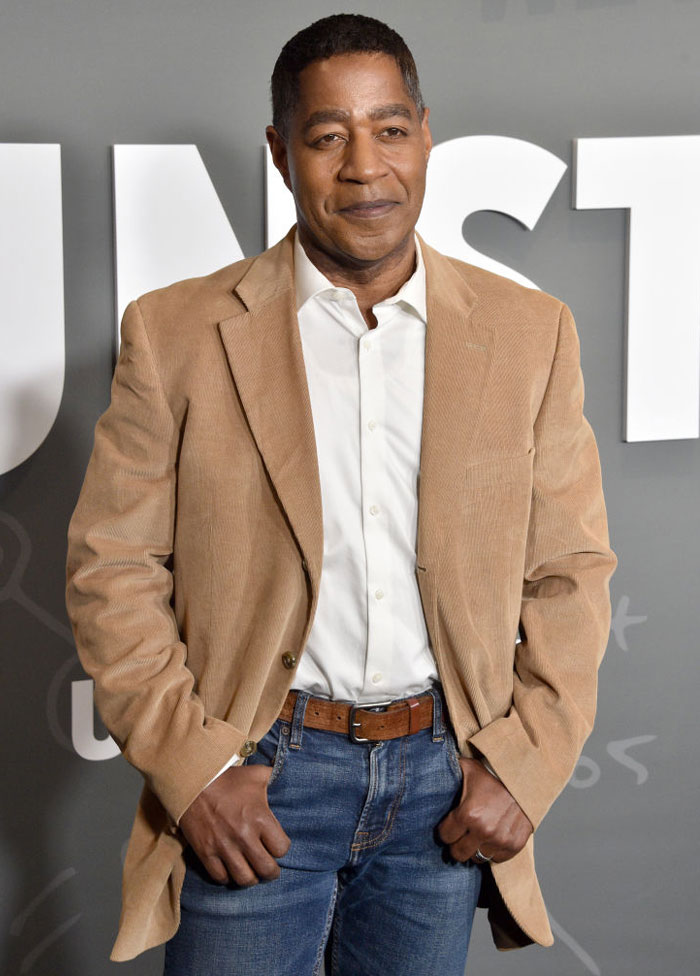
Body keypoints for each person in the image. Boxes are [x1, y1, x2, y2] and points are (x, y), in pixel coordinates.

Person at [65, 13, 617, 976]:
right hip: (258, 782)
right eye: (328, 136)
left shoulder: (532, 334)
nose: (366, 168)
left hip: (445, 787)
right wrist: (199, 771)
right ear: (282, 153)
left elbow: (569, 570)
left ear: (426, 135)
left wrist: (525, 765)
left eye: (390, 129)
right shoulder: (175, 332)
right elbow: (112, 566)